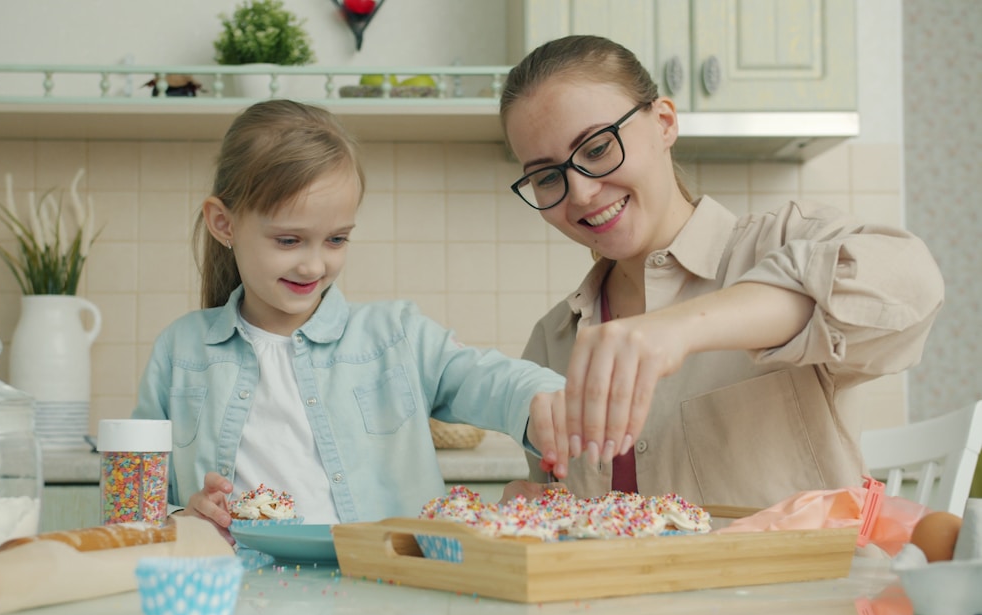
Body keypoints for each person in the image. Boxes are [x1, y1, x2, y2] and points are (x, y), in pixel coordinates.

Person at [498, 35, 944, 509]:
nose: (582, 193)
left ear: (664, 123)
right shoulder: (551, 343)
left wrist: (682, 327)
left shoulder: (781, 242)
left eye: (597, 147)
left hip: (804, 584)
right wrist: (538, 514)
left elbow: (913, 286)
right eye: (547, 177)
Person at [131, 99, 570, 542]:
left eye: (337, 239)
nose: (313, 266)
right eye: (289, 240)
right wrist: (183, 516)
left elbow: (486, 377)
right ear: (223, 223)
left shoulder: (394, 337)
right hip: (240, 597)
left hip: (384, 594)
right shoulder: (180, 351)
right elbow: (135, 502)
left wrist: (542, 399)